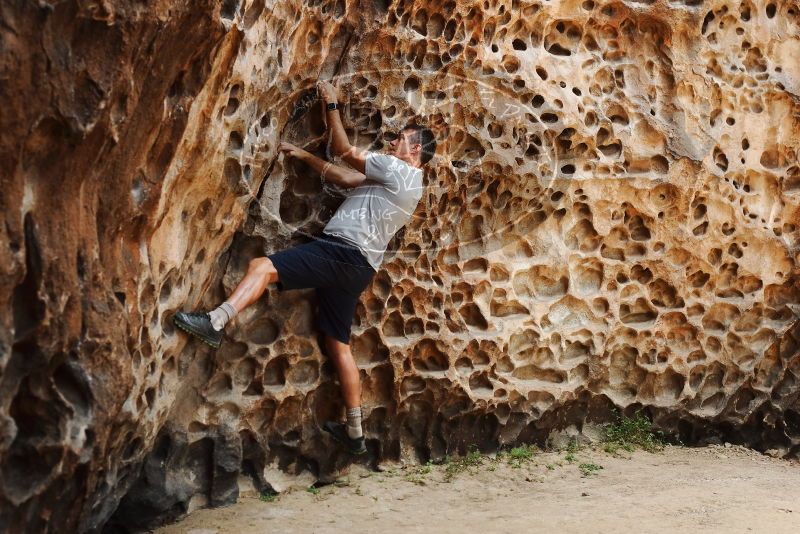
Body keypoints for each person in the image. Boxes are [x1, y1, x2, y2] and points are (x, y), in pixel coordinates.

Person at [173, 80, 437, 454]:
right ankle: (356, 434)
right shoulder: (406, 182)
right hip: (359, 267)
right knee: (338, 344)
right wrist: (302, 155)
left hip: (341, 252)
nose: (393, 142)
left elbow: (345, 151)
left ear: (416, 151)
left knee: (262, 266)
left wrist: (331, 106)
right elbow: (345, 177)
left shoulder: (398, 169)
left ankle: (215, 321)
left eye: (401, 139)